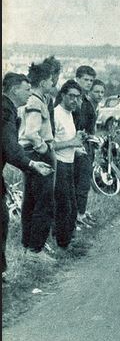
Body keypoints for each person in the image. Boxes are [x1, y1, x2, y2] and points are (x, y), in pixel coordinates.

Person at [2, 73, 53, 276]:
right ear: (14, 90)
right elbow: (11, 150)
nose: (29, 93)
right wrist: (33, 164)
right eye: (26, 89)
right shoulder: (6, 110)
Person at [18, 62, 57, 261]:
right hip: (37, 153)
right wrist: (43, 148)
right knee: (44, 202)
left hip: (30, 154)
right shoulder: (36, 102)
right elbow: (31, 132)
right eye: (51, 80)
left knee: (31, 201)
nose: (53, 83)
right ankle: (36, 250)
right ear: (43, 82)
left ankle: (29, 246)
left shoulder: (35, 99)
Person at [53, 80, 85, 250]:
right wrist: (72, 142)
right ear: (63, 95)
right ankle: (63, 244)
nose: (75, 100)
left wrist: (77, 143)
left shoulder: (69, 114)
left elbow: (67, 140)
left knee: (71, 206)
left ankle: (66, 241)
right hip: (58, 164)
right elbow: (49, 144)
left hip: (69, 163)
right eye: (71, 96)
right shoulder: (55, 114)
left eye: (77, 97)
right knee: (65, 206)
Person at [72, 65, 98, 228]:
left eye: (91, 80)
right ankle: (76, 216)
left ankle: (80, 213)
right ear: (77, 79)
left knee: (83, 182)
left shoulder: (87, 101)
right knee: (78, 183)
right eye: (85, 80)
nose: (89, 83)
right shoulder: (73, 98)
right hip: (75, 145)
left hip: (87, 144)